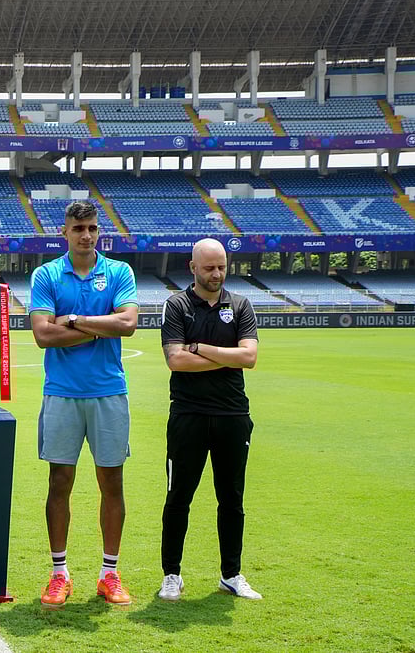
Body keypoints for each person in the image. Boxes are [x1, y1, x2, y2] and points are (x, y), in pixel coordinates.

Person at [29, 200, 139, 608]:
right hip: (62, 392)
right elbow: (43, 334)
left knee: (112, 482)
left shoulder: (118, 271)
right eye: (78, 228)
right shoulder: (47, 274)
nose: (86, 235)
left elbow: (128, 324)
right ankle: (59, 574)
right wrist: (100, 328)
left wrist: (72, 321)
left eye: (92, 227)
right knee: (60, 482)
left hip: (108, 391)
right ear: (66, 231)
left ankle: (109, 573)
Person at [157, 237, 261, 601]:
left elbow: (249, 358)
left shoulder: (241, 304)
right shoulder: (177, 305)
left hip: (233, 415)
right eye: (209, 268)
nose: (217, 274)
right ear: (193, 268)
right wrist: (227, 355)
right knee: (178, 497)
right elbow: (176, 361)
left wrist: (200, 347)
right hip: (188, 415)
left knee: (231, 499)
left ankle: (231, 574)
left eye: (222, 267)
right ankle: (172, 574)